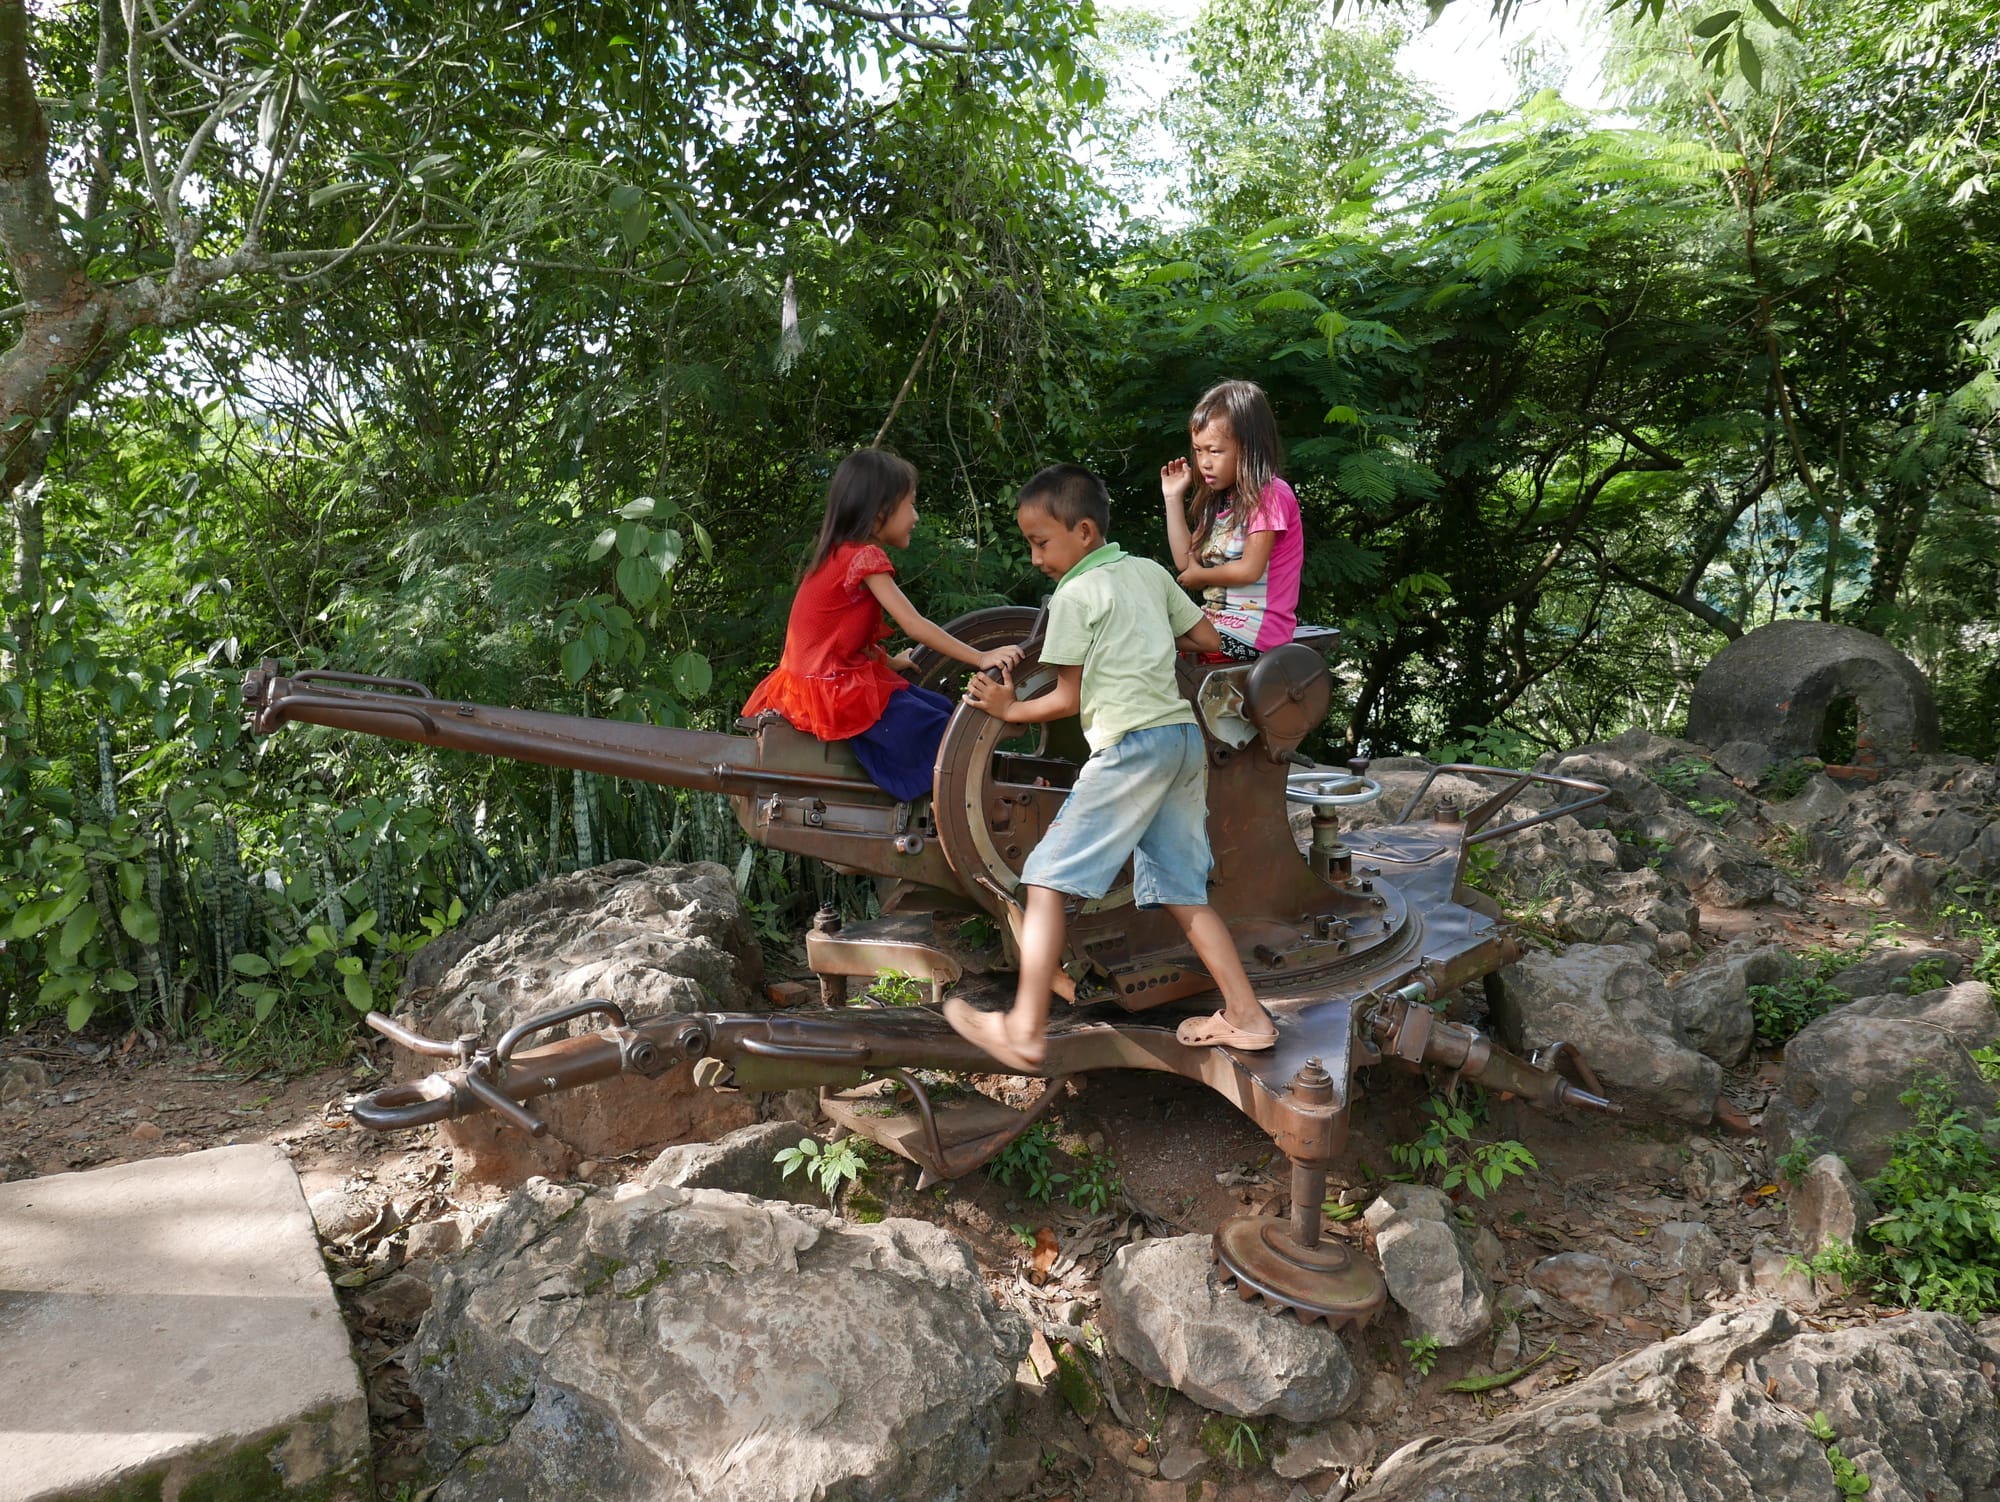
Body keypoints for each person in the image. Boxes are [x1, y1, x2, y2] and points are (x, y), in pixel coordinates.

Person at [943, 463, 1277, 1072]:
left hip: (1131, 748)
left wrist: (1009, 707)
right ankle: (1248, 1017)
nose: (1036, 556)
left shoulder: (1075, 594)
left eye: (1042, 541)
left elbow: (1067, 698)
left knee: (1044, 880)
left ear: (1086, 532)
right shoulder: (1148, 572)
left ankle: (1024, 1028)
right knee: (1183, 890)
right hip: (1181, 741)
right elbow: (1204, 636)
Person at [742, 449, 1021, 801]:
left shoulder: (834, 554)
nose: (916, 517)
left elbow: (833, 636)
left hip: (810, 685)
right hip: (833, 691)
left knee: (941, 711)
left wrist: (889, 663)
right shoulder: (865, 557)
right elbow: (914, 625)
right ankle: (958, 805)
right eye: (911, 505)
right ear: (878, 515)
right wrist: (981, 657)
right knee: (943, 731)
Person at [1159, 379, 1303, 661]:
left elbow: (1249, 570)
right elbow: (1186, 562)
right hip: (1215, 623)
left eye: (1215, 451)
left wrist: (1201, 577)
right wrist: (1173, 498)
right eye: (1198, 451)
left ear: (1249, 447)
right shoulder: (1219, 500)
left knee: (1157, 642)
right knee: (1144, 630)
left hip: (1257, 631)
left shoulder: (1271, 495)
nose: (1204, 463)